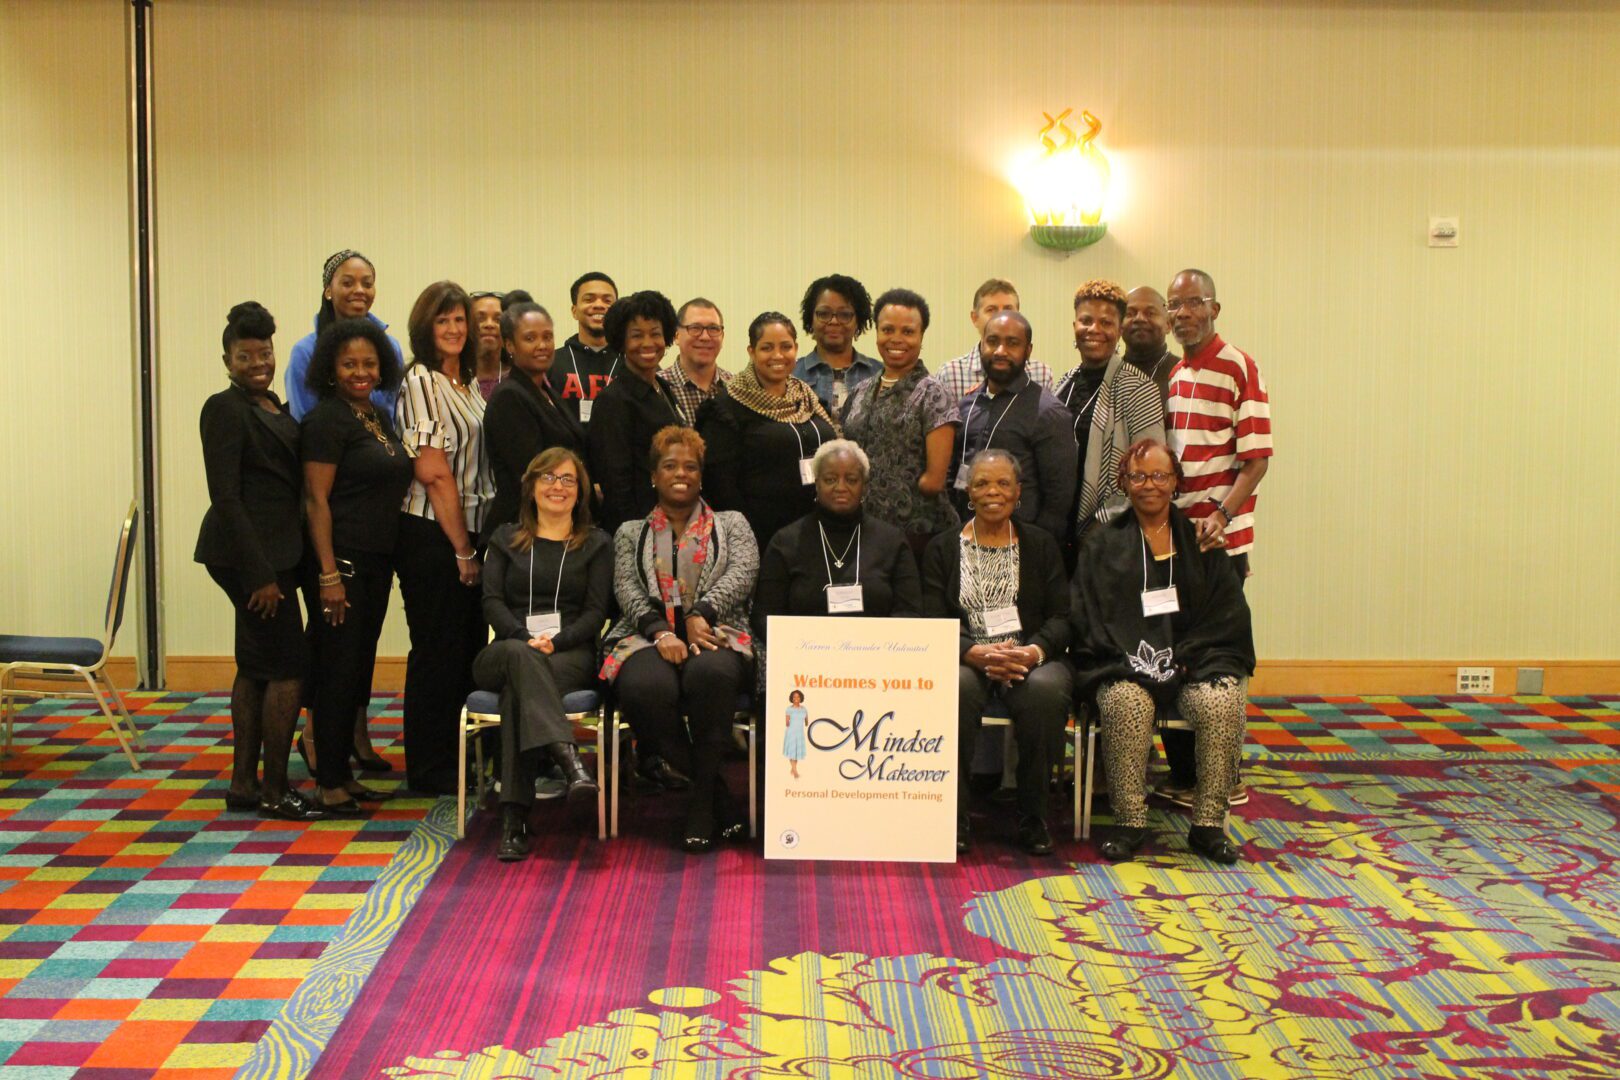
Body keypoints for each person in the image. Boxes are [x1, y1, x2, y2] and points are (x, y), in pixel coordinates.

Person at [1070, 439, 1255, 864]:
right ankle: (1130, 822)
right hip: (1127, 664)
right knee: (1123, 700)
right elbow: (1088, 618)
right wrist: (1136, 661)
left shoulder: (1202, 541)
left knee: (1223, 700)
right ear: (1123, 482)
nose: (1149, 485)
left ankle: (1208, 825)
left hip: (1194, 664)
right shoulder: (1101, 546)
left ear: (1175, 482)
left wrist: (1184, 659)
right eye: (1138, 476)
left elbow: (1225, 616)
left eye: (1159, 475)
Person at [600, 427, 758, 852]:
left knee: (711, 676)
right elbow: (627, 589)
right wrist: (661, 630)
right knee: (643, 688)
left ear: (702, 476)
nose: (681, 474)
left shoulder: (733, 524)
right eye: (670, 466)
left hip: (717, 631)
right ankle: (712, 794)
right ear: (654, 475)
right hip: (645, 635)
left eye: (690, 466)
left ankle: (701, 807)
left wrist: (697, 616)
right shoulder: (630, 532)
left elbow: (742, 574)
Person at [195, 302, 321, 821]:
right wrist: (261, 575)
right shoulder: (224, 409)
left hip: (275, 554)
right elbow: (226, 497)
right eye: (244, 355)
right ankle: (275, 788)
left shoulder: (272, 403)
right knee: (289, 668)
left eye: (264, 353)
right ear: (226, 360)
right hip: (247, 558)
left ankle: (244, 783)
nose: (257, 362)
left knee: (254, 667)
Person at [1158, 269, 1273, 809]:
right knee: (1176, 652)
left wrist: (1221, 517)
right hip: (1181, 537)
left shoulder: (1239, 366)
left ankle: (1226, 779)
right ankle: (1186, 777)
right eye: (1173, 306)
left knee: (1219, 658)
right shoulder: (1176, 373)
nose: (1182, 314)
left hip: (1219, 541)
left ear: (1215, 308)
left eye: (1193, 303)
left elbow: (1256, 461)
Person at [921, 450, 1070, 856]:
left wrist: (1033, 652)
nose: (993, 492)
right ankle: (953, 815)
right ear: (968, 492)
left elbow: (1063, 616)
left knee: (1044, 692)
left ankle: (1032, 815)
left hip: (1029, 657)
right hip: (965, 658)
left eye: (1003, 484)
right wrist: (972, 653)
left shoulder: (1040, 545)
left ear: (1018, 492)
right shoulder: (942, 548)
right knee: (955, 688)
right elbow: (931, 619)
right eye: (983, 483)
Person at [476, 448, 612, 861]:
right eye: (548, 478)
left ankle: (513, 821)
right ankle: (571, 763)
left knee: (521, 691)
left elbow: (595, 612)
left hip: (568, 652)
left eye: (568, 479)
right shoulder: (504, 537)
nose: (558, 486)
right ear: (531, 486)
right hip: (504, 650)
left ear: (580, 491)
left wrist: (558, 640)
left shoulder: (596, 544)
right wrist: (521, 635)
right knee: (521, 658)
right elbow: (491, 601)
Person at [299, 318, 412, 814]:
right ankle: (328, 781)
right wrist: (327, 574)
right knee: (337, 670)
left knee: (357, 667)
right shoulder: (326, 420)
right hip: (340, 563)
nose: (360, 372)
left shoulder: (374, 415)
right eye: (349, 364)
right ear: (330, 368)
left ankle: (343, 773)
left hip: (375, 560)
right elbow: (315, 500)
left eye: (369, 363)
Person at [393, 280, 494, 795]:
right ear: (425, 328)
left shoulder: (467, 384)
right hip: (434, 534)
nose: (455, 329)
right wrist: (462, 549)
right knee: (436, 651)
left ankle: (460, 761)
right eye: (443, 320)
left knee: (465, 648)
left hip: (468, 530)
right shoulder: (422, 382)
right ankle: (430, 769)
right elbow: (433, 473)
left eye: (461, 320)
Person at [697, 312, 841, 549]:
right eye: (767, 348)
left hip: (821, 529)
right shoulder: (726, 407)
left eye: (786, 347)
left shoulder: (806, 396)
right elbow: (721, 489)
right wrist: (747, 539)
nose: (778, 355)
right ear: (751, 352)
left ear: (796, 349)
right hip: (763, 538)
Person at [753, 440, 923, 642]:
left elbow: (910, 612)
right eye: (830, 479)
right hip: (806, 659)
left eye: (851, 480)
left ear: (864, 486)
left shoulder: (892, 541)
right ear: (816, 483)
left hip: (878, 658)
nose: (840, 487)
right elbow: (765, 617)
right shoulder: (786, 542)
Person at [839, 287, 958, 557]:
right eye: (888, 330)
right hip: (862, 528)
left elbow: (934, 481)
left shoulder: (933, 392)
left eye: (908, 331)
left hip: (917, 534)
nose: (896, 339)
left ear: (921, 336)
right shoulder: (860, 390)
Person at [1053, 280, 1166, 551]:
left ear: (1119, 330)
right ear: (1074, 327)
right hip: (1060, 532)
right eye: (1086, 320)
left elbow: (1150, 472)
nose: (1095, 330)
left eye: (1106, 322)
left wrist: (1099, 528)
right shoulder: (1065, 382)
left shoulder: (1139, 388)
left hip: (1109, 537)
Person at [951, 311, 1077, 539]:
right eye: (992, 341)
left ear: (1028, 351)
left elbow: (1058, 502)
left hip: (1021, 543)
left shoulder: (1048, 413)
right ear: (981, 346)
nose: (1000, 351)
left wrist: (1035, 550)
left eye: (1012, 343)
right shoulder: (966, 404)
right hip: (967, 535)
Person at [481, 300, 587, 544]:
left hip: (555, 524)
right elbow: (532, 472)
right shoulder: (509, 396)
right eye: (530, 338)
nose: (542, 346)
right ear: (510, 345)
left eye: (548, 337)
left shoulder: (546, 391)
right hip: (522, 532)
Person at [588, 291, 688, 532]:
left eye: (655, 334)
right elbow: (616, 483)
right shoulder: (613, 400)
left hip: (671, 517)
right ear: (621, 341)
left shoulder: (661, 386)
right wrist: (636, 534)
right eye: (636, 336)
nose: (647, 343)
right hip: (639, 526)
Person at [283, 249, 404, 421]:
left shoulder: (390, 347)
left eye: (367, 284)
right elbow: (303, 421)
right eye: (348, 283)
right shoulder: (305, 351)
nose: (360, 290)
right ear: (328, 291)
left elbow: (394, 417)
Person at [932, 278, 1055, 403]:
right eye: (991, 310)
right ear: (975, 318)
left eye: (1008, 309)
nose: (1001, 317)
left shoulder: (1041, 374)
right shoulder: (950, 375)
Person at [792, 273, 880, 412]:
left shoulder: (879, 374)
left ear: (858, 321)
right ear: (811, 319)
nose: (833, 321)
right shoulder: (791, 374)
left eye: (844, 315)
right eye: (824, 314)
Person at [547, 272, 620, 426]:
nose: (599, 305)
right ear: (574, 311)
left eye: (607, 301)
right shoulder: (550, 363)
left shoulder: (632, 363)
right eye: (589, 299)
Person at [660, 297, 732, 425]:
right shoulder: (658, 387)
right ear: (676, 336)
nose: (705, 337)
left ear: (722, 336)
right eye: (695, 328)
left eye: (713, 329)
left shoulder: (736, 388)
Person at [1122, 286, 1176, 409]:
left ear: (1168, 324)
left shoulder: (1183, 374)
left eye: (1150, 313)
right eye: (1130, 313)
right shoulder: (1108, 374)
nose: (1139, 318)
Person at [471, 291, 507, 401]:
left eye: (498, 320)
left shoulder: (522, 379)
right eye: (480, 319)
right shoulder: (454, 379)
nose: (489, 324)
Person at [783, 689, 807, 780]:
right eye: (794, 697)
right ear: (791, 698)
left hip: (800, 733)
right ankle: (795, 771)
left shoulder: (804, 709)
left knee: (796, 753)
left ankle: (793, 769)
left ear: (801, 698)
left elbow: (806, 721)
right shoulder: (789, 709)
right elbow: (787, 722)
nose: (796, 698)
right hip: (792, 733)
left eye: (798, 696)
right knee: (792, 752)